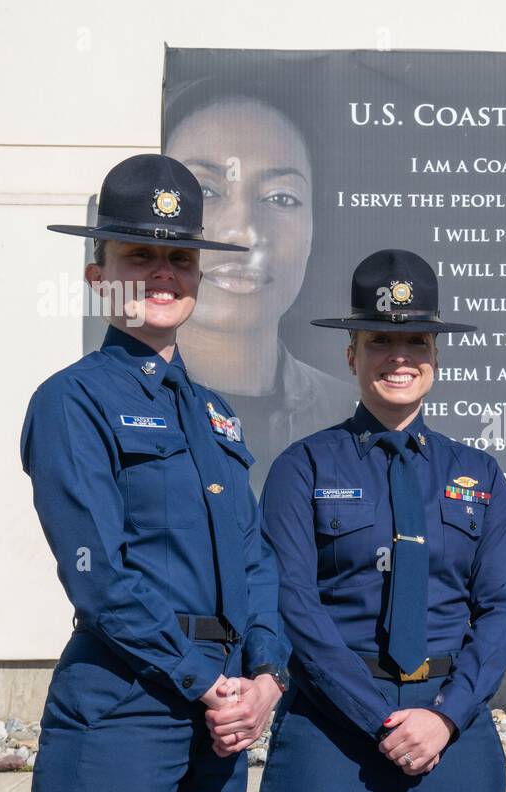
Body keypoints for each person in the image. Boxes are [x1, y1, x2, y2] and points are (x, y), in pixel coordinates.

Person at [22, 154, 290, 792]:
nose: (164, 273)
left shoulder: (215, 415)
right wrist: (205, 682)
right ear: (97, 278)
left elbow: (254, 559)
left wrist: (266, 678)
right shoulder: (71, 401)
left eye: (180, 257)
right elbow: (98, 574)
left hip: (221, 714)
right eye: (140, 255)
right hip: (125, 704)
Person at [257, 248, 506, 792]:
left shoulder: (478, 473)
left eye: (416, 342)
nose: (399, 357)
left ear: (435, 355)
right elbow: (292, 604)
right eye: (380, 340)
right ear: (352, 355)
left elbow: (503, 607)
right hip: (333, 729)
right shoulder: (303, 468)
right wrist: (378, 716)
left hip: (449, 725)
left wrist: (445, 716)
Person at [166, 76, 356, 493]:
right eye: (206, 190)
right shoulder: (108, 402)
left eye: (281, 198)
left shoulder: (353, 414)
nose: (243, 234)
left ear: (313, 232)